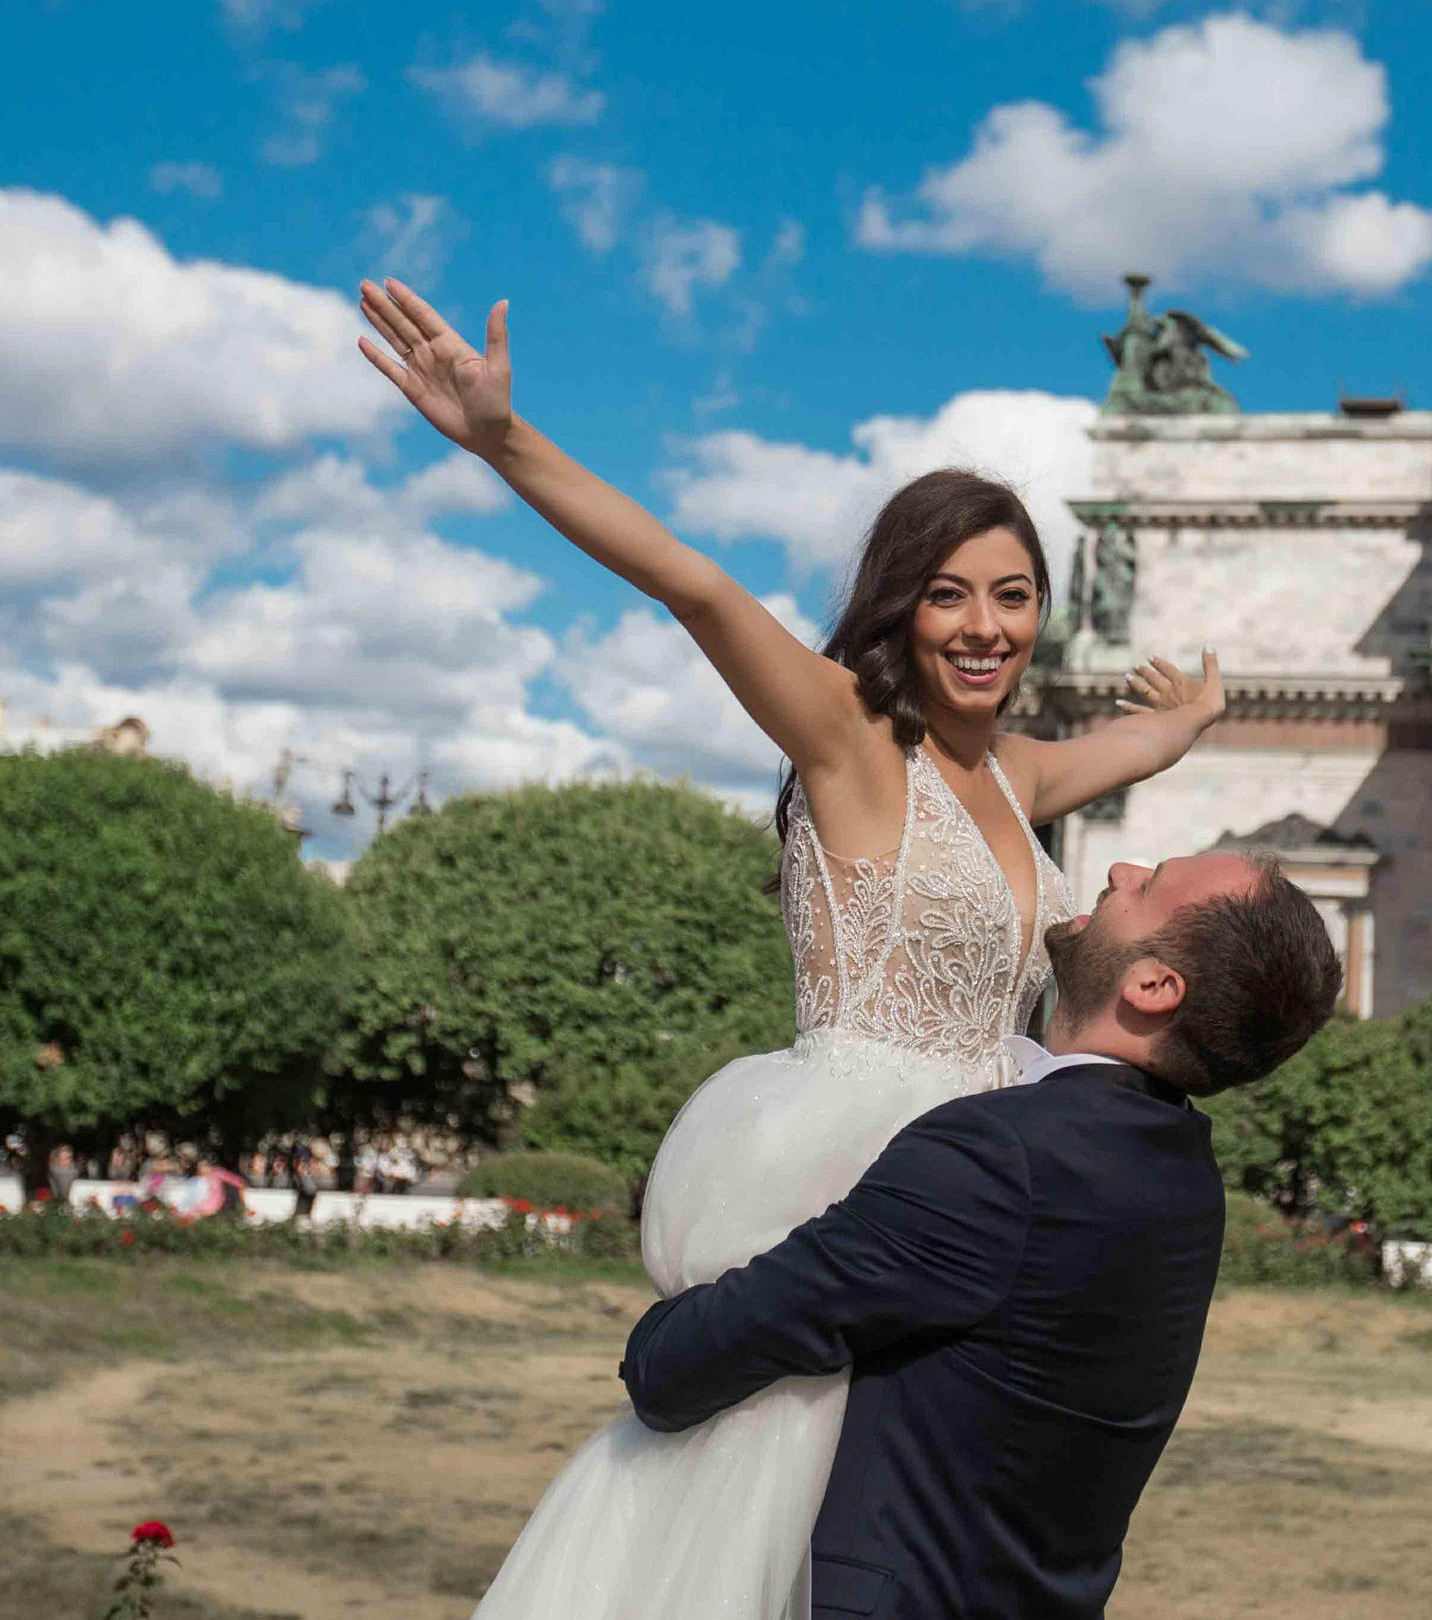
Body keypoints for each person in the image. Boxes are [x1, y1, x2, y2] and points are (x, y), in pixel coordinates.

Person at [355, 278, 1227, 1619]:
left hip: (979, 1181)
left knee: (904, 1514)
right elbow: (695, 586)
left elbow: (1132, 746)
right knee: (760, 1512)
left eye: (1013, 593)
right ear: (902, 605)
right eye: (949, 594)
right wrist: (501, 439)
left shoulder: (1014, 776)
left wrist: (1192, 718)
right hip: (848, 1163)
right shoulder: (849, 738)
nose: (986, 624)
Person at [622, 849, 1343, 1620]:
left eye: (1150, 884)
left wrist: (664, 1312)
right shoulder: (1184, 1170)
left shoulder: (1006, 1155)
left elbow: (678, 1367)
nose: (1121, 869)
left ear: (1154, 985)